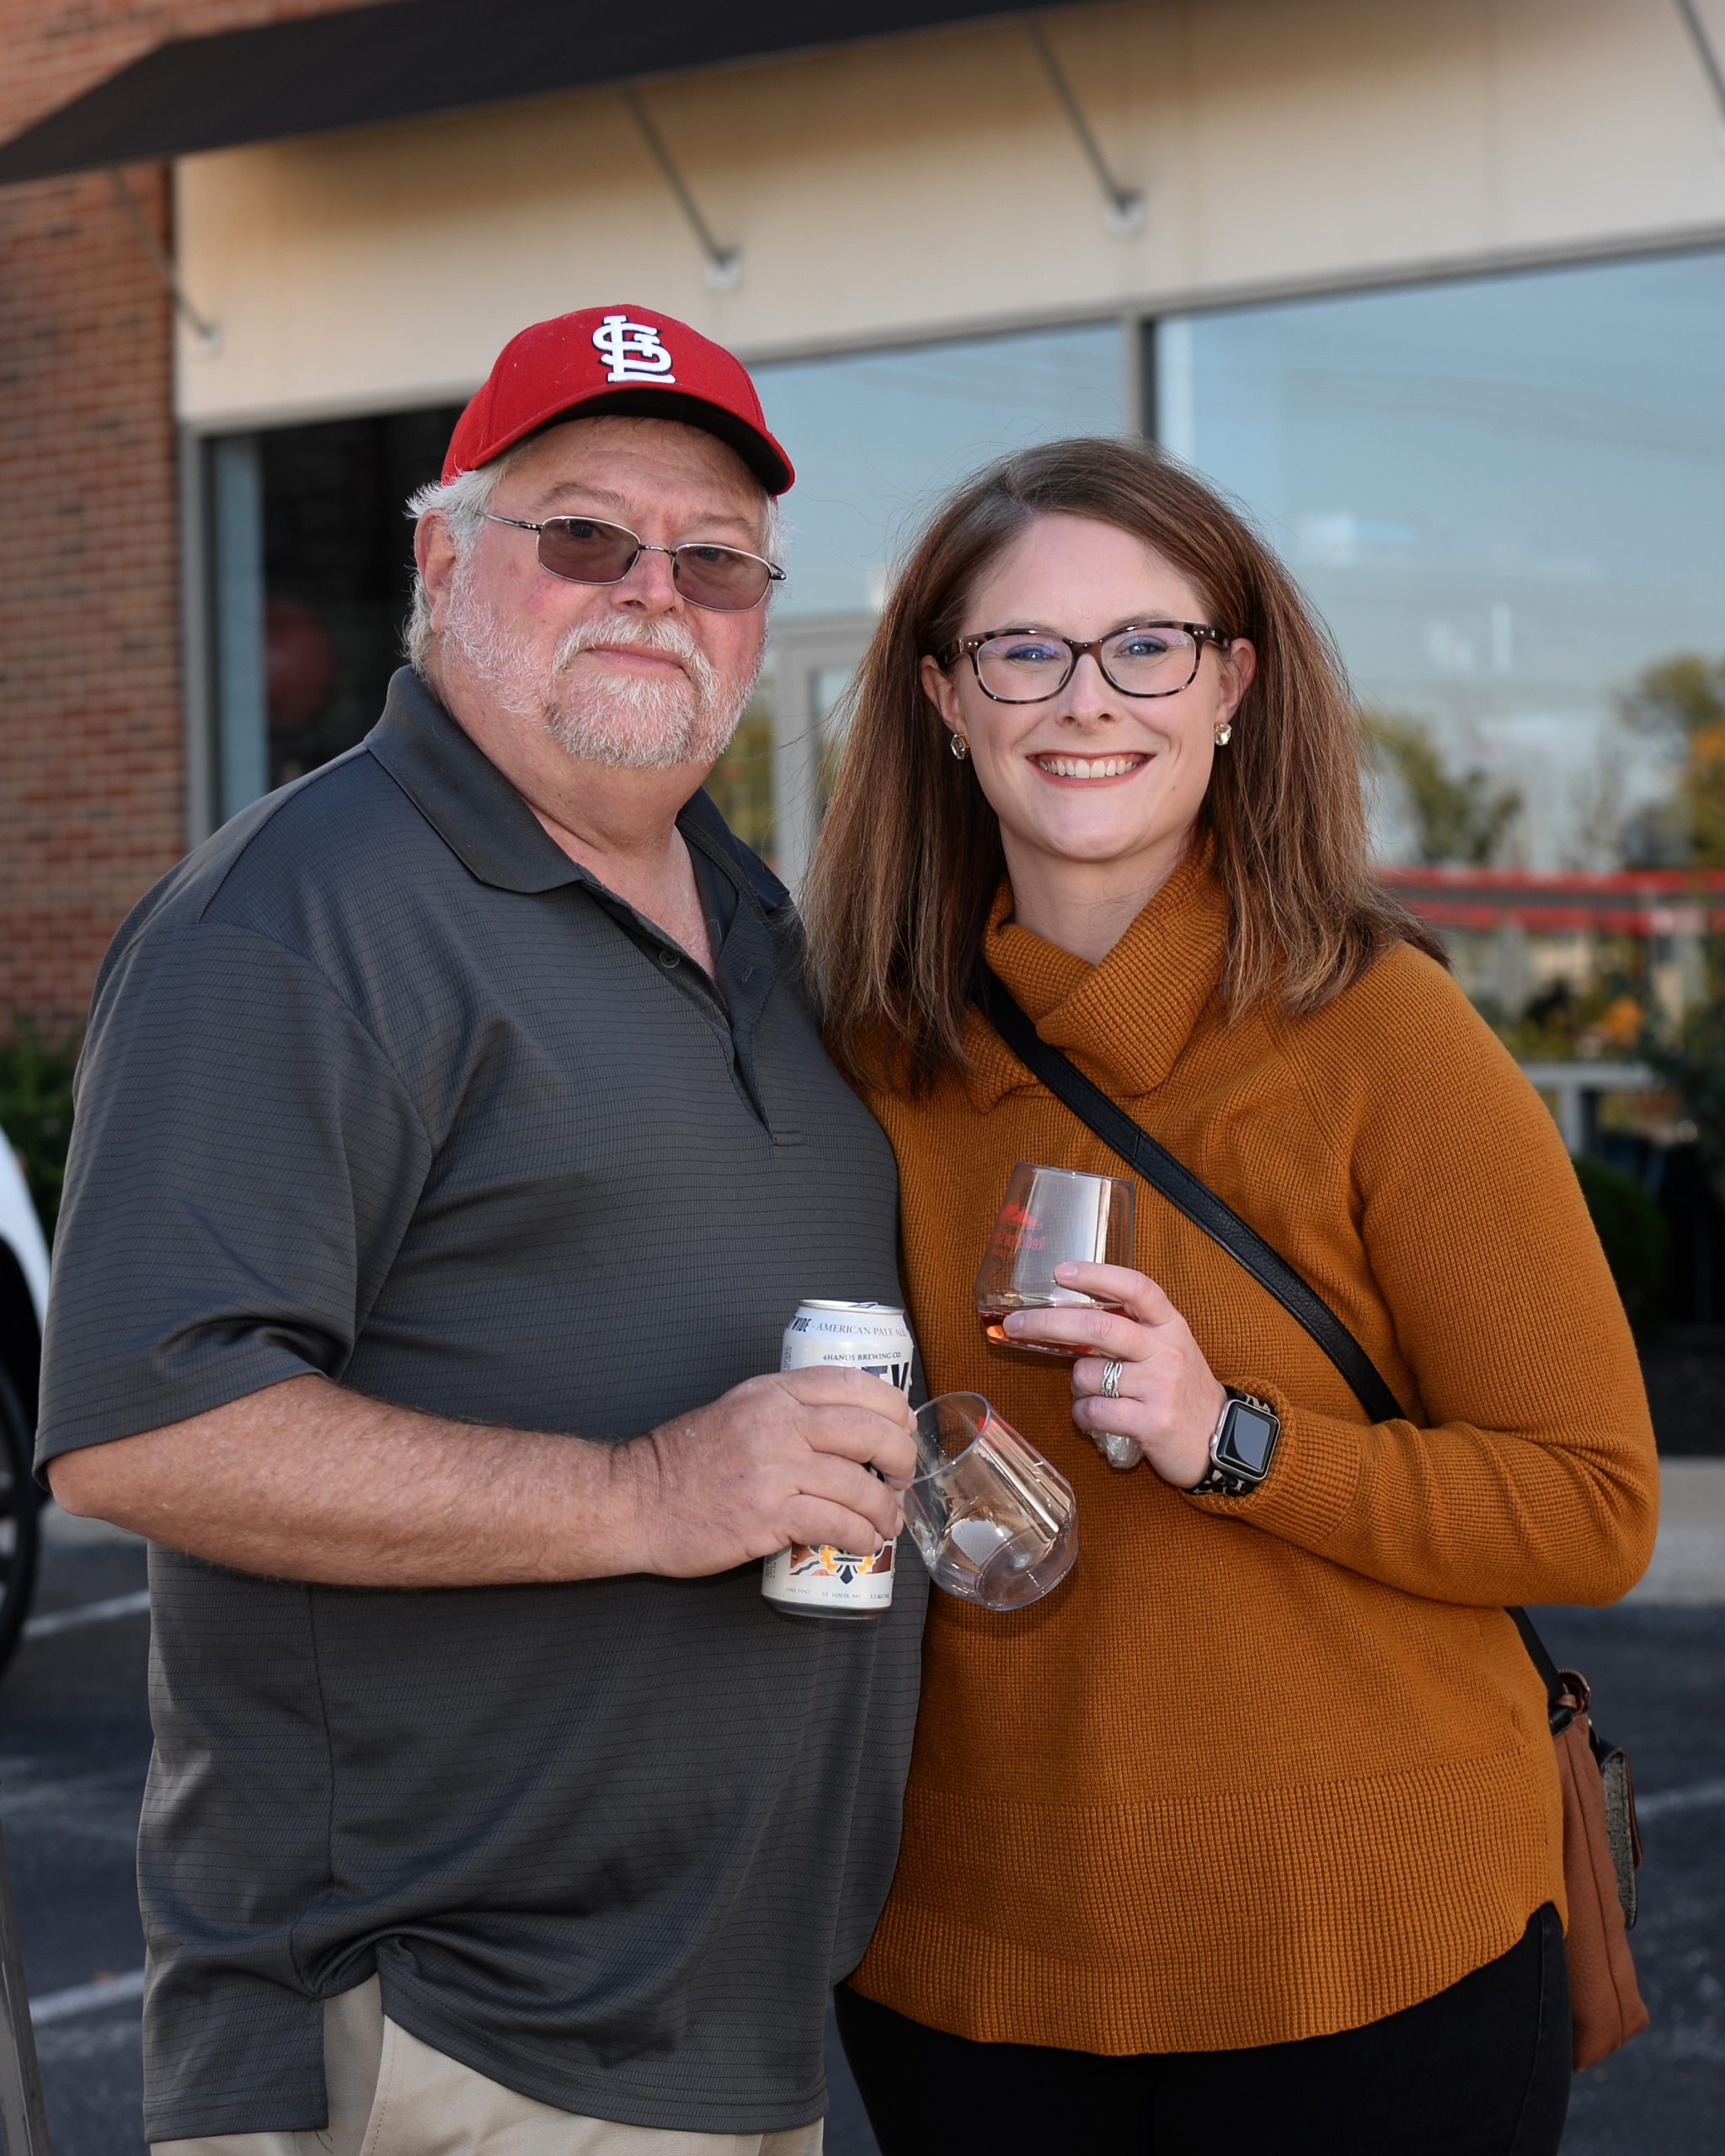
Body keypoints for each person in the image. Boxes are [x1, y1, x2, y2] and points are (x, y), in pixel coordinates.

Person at [39, 304, 926, 2156]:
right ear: (442, 562)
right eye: (585, 535)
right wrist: (645, 1493)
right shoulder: (299, 913)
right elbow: (146, 1429)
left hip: (730, 2024)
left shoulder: (763, 922)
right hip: (441, 2032)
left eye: (714, 559)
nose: (654, 592)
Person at [801, 436, 1659, 2155]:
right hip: (966, 1971)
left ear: (1232, 687)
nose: (1086, 698)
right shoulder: (866, 1049)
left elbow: (1593, 1505)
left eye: (1148, 644)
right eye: (1023, 650)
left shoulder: (1382, 1035)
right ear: (944, 701)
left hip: (1364, 1967)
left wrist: (1236, 1438)